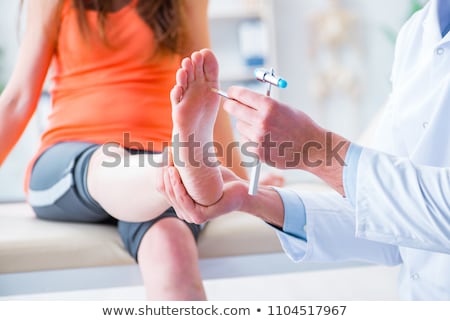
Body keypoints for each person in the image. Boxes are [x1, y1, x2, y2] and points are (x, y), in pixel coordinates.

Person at [159, 0, 450, 300]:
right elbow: (385, 215)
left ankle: (181, 157)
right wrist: (251, 198)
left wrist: (316, 151)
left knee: (139, 174)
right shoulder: (419, 32)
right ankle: (193, 161)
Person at [0, 0, 283, 300]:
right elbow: (17, 100)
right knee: (107, 165)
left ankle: (171, 172)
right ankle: (171, 171)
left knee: (171, 247)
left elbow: (205, 90)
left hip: (155, 159)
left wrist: (237, 177)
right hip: (72, 157)